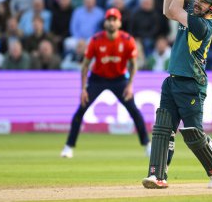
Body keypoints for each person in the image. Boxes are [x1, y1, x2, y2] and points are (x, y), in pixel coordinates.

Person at [142, 0, 212, 189]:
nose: (197, 2)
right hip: (172, 81)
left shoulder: (202, 24)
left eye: (202, 1)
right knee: (163, 128)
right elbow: (168, 11)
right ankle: (157, 176)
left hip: (191, 84)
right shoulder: (191, 13)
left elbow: (174, 11)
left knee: (193, 134)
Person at [60, 8, 151, 158]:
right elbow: (85, 66)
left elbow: (133, 65)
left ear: (119, 22)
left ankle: (147, 145)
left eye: (114, 19)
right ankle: (68, 147)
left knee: (134, 111)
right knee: (80, 111)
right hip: (97, 79)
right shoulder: (96, 40)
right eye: (109, 19)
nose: (111, 22)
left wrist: (130, 85)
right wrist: (83, 89)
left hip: (119, 79)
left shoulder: (127, 40)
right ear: (105, 22)